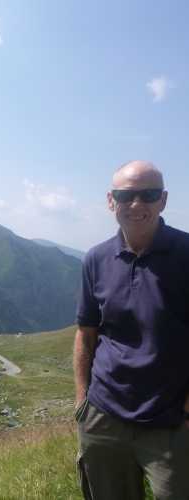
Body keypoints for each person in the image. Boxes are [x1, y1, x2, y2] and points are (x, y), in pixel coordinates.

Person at [73, 160, 189, 500]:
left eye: (149, 195)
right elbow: (86, 332)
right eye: (126, 195)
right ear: (112, 201)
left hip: (171, 423)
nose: (136, 204)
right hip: (103, 417)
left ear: (163, 200)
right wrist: (82, 400)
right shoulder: (95, 259)